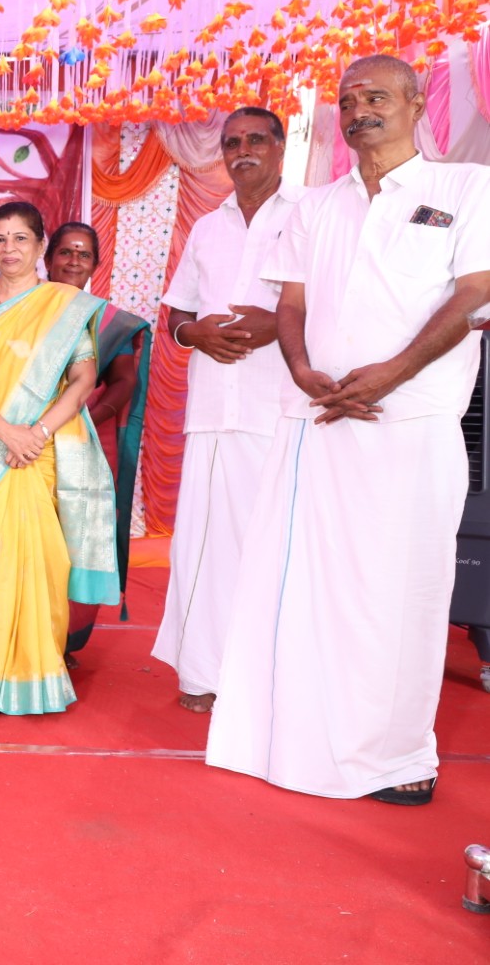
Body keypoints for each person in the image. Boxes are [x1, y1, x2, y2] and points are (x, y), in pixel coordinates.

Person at [206, 55, 490, 805]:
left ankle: (396, 757)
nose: (361, 109)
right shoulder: (317, 205)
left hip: (409, 424)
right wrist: (302, 369)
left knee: (398, 595)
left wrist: (393, 372)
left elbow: (477, 292)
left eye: (377, 96)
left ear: (415, 105)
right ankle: (294, 743)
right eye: (348, 99)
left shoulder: (467, 188)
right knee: (304, 591)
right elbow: (292, 304)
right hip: (319, 419)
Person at [0, 201, 119, 715]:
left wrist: (36, 432)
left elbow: (83, 379)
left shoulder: (64, 305)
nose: (9, 249)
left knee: (41, 560)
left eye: (20, 239)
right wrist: (6, 431)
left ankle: (34, 677)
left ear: (40, 246)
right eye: (0, 239)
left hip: (38, 450)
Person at [150, 107, 301, 713]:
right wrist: (196, 336)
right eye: (232, 142)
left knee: (280, 548)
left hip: (284, 407)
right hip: (214, 412)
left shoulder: (311, 214)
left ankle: (274, 678)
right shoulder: (208, 227)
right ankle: (204, 673)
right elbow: (177, 313)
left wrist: (280, 323)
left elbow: (338, 302)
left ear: (281, 146)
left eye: (256, 140)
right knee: (206, 549)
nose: (243, 151)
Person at [44, 222, 151, 659]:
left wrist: (85, 419)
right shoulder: (19, 307)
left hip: (80, 445)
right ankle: (16, 637)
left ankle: (61, 641)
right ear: (47, 258)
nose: (73, 261)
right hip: (21, 442)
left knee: (76, 540)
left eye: (83, 254)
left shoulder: (107, 322)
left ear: (95, 265)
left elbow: (124, 380)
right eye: (65, 252)